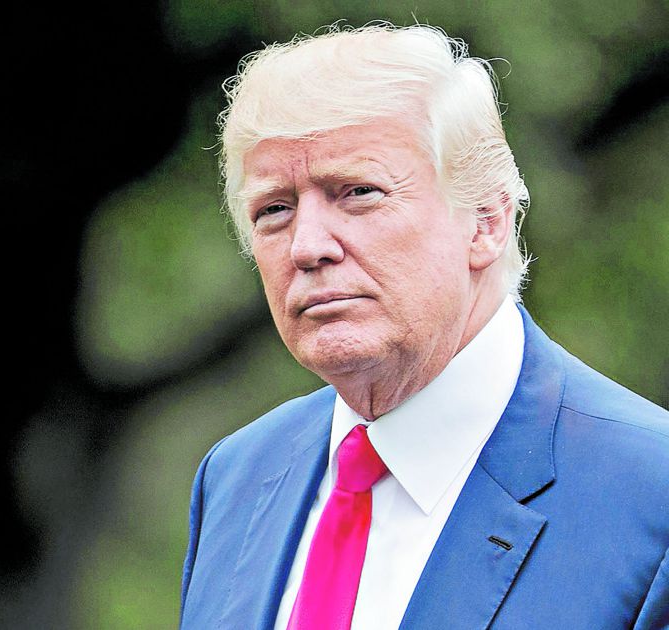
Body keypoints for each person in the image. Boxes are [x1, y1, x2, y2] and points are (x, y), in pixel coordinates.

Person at [179, 23, 668, 630]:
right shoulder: (237, 477)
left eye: (357, 191)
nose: (306, 246)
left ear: (487, 220)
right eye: (274, 208)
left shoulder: (651, 495)